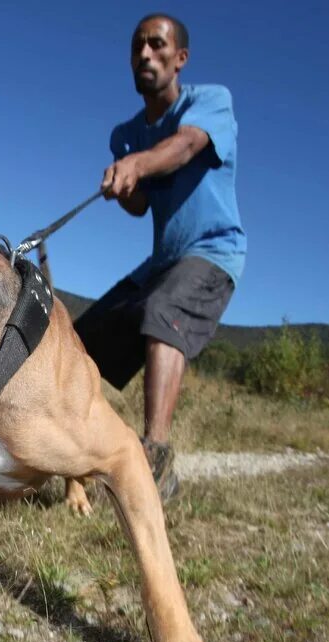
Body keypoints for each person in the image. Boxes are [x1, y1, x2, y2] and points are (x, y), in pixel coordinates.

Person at [73, 12, 246, 501]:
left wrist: (137, 164)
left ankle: (155, 459)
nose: (145, 54)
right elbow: (140, 205)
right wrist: (122, 184)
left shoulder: (211, 102)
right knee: (77, 344)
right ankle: (76, 456)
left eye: (157, 45)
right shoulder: (125, 134)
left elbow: (186, 146)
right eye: (137, 47)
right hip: (163, 262)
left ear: (180, 58)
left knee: (163, 310)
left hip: (213, 253)